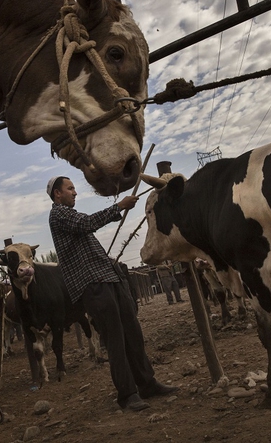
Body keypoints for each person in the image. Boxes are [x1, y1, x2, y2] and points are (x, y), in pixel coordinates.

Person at [46, 176, 179, 411]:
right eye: (71, 188)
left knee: (132, 332)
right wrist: (118, 207)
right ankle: (127, 395)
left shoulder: (69, 216)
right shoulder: (59, 214)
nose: (75, 192)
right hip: (92, 284)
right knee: (115, 339)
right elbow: (86, 224)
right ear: (57, 194)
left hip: (107, 279)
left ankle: (146, 383)